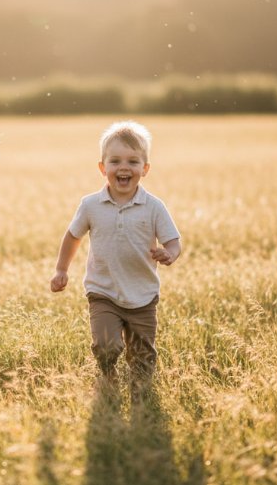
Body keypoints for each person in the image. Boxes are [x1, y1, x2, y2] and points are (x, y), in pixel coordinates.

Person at [50, 121, 181, 392]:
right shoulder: (90, 205)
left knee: (143, 356)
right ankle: (108, 376)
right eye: (115, 161)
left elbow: (173, 241)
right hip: (103, 291)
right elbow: (73, 236)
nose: (124, 167)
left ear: (145, 169)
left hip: (143, 294)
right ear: (102, 167)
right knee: (106, 345)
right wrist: (61, 270)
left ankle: (141, 392)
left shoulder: (154, 207)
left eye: (133, 161)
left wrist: (169, 254)